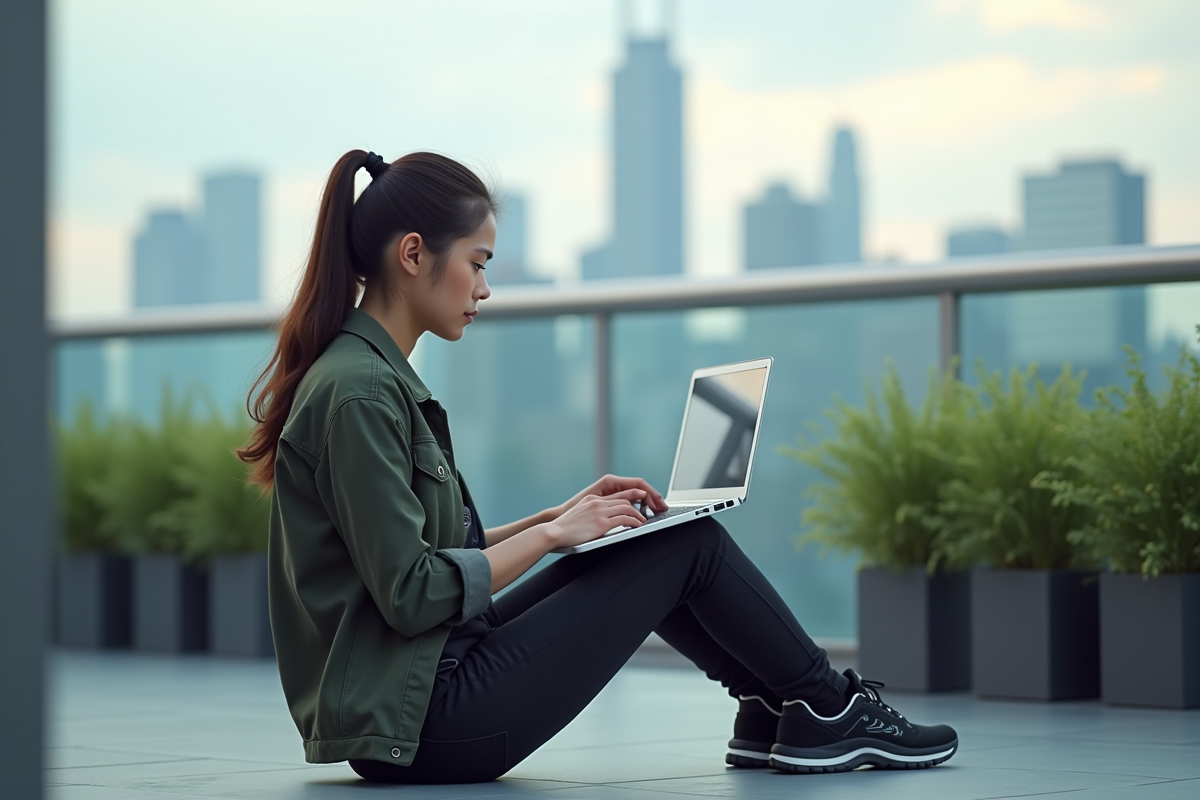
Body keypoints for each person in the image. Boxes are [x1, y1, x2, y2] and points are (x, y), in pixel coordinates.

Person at [237, 150, 959, 784]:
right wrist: (555, 538)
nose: (485, 289)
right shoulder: (361, 393)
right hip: (426, 723)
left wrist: (563, 518)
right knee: (689, 542)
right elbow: (412, 592)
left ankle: (777, 710)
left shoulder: (368, 378)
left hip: (422, 688)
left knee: (657, 536)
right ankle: (825, 708)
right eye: (478, 264)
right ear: (415, 254)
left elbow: (424, 564)